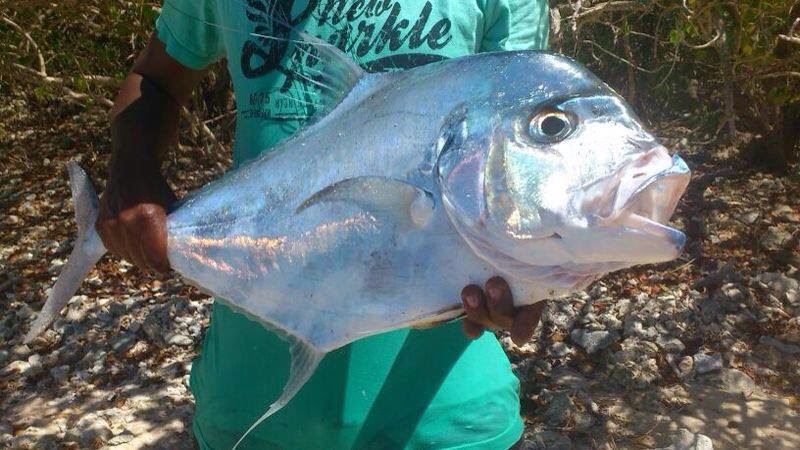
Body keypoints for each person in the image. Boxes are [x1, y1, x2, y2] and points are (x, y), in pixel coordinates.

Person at [96, 1, 550, 448]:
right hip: (249, 408)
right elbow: (155, 78)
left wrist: (537, 265)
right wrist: (131, 172)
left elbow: (517, 135)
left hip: (447, 420)